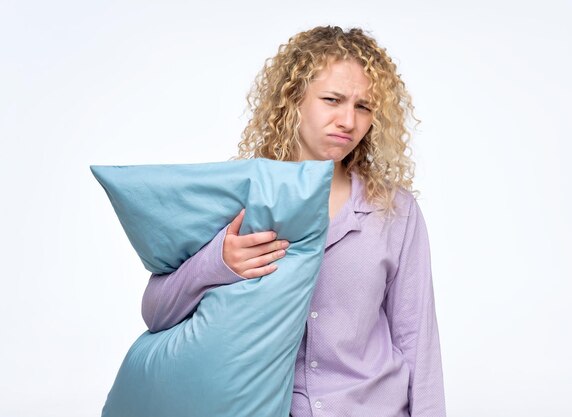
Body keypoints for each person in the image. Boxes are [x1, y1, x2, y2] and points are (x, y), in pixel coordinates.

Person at [142, 26, 446, 417]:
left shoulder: (394, 210)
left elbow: (417, 339)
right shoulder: (236, 197)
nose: (348, 121)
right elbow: (156, 312)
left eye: (364, 107)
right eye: (332, 100)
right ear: (293, 99)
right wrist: (218, 262)